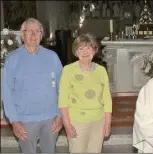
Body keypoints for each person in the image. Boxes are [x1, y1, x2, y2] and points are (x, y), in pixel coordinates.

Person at [1, 18, 63, 153]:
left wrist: (60, 115)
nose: (34, 35)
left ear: (42, 35)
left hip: (51, 118)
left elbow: (63, 88)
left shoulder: (52, 57)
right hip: (24, 119)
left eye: (37, 31)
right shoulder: (12, 59)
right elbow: (6, 92)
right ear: (22, 35)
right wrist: (14, 121)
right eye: (29, 31)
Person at [58, 33, 112, 153]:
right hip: (77, 121)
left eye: (89, 48)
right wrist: (66, 123)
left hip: (98, 121)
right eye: (81, 48)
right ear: (76, 52)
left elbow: (107, 98)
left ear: (94, 50)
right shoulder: (68, 70)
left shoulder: (101, 71)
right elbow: (62, 100)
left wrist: (107, 122)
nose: (85, 52)